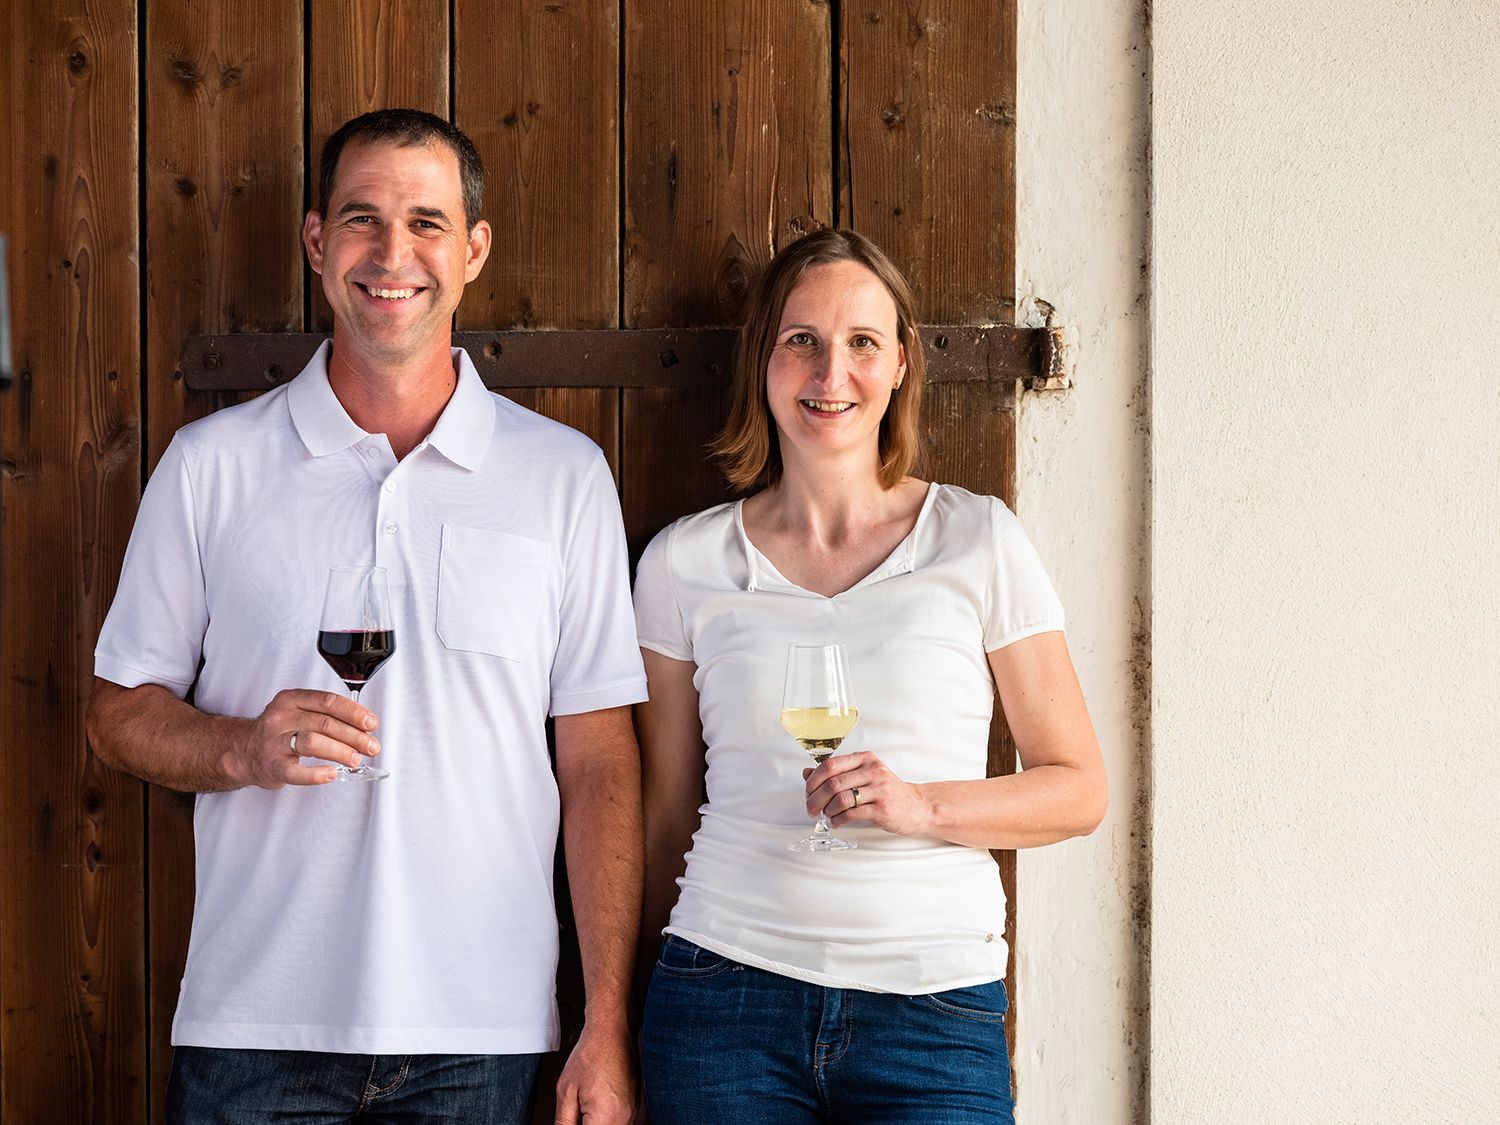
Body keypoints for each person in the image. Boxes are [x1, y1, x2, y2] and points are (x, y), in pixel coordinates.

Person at [87, 109, 644, 1124]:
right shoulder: (211, 467)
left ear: (474, 249)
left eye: (427, 223)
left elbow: (600, 760)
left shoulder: (563, 477)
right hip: (253, 1033)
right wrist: (241, 751)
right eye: (362, 220)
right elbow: (118, 710)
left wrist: (603, 1021)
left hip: (486, 1038)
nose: (394, 256)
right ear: (315, 242)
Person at [632, 228, 1108, 1123]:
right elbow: (664, 817)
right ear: (763, 360)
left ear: (901, 362)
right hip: (720, 1001)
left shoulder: (978, 539)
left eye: (861, 342)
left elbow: (1078, 788)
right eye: (801, 340)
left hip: (932, 1012)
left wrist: (920, 807)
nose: (830, 373)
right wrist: (625, 1013)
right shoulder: (681, 564)